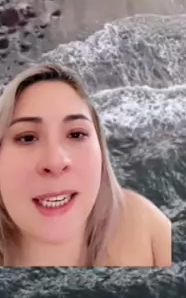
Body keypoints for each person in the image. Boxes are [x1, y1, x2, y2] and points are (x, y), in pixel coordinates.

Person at [0, 62, 172, 267]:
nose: (55, 162)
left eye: (76, 134)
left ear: (100, 148)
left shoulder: (145, 227)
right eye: (27, 138)